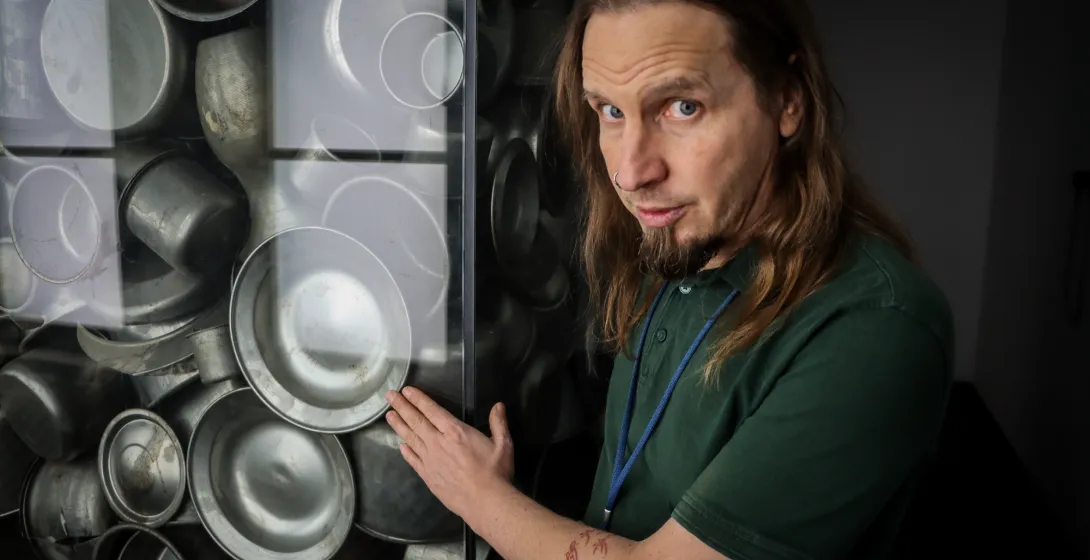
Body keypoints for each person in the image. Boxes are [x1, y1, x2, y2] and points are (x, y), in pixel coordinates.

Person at [384, 0, 955, 558]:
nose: (631, 172)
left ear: (788, 101)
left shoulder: (874, 327)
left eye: (682, 107)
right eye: (609, 110)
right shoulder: (677, 243)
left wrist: (479, 496)